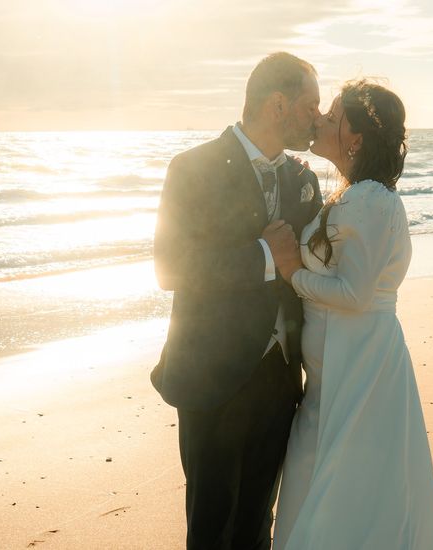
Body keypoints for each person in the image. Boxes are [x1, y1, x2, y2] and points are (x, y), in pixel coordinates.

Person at [150, 52, 323, 550]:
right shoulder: (193, 168)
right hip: (212, 377)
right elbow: (170, 267)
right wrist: (264, 255)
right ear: (277, 105)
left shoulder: (302, 179)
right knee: (211, 529)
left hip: (280, 380)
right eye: (310, 105)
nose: (317, 114)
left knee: (257, 528)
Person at [271, 80, 433, 550]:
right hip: (342, 367)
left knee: (349, 496)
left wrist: (291, 273)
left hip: (360, 366)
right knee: (329, 487)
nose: (322, 120)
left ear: (357, 138)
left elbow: (355, 293)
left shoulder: (370, 198)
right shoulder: (355, 194)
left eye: (334, 115)